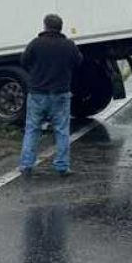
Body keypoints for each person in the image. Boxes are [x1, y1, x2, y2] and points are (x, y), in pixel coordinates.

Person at [18, 13, 83, 177]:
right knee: (61, 130)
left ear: (45, 26)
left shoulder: (35, 44)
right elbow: (78, 62)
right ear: (60, 27)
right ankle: (62, 167)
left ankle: (26, 166)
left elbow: (24, 61)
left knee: (32, 129)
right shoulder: (68, 45)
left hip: (38, 93)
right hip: (60, 94)